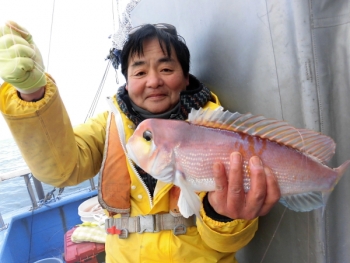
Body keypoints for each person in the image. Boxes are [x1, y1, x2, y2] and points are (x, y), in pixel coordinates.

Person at [0, 21, 280, 262]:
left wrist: (224, 216)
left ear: (185, 78)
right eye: (140, 72)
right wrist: (32, 93)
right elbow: (61, 169)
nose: (154, 81)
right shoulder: (108, 125)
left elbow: (228, 243)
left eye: (167, 69)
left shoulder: (217, 131)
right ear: (126, 82)